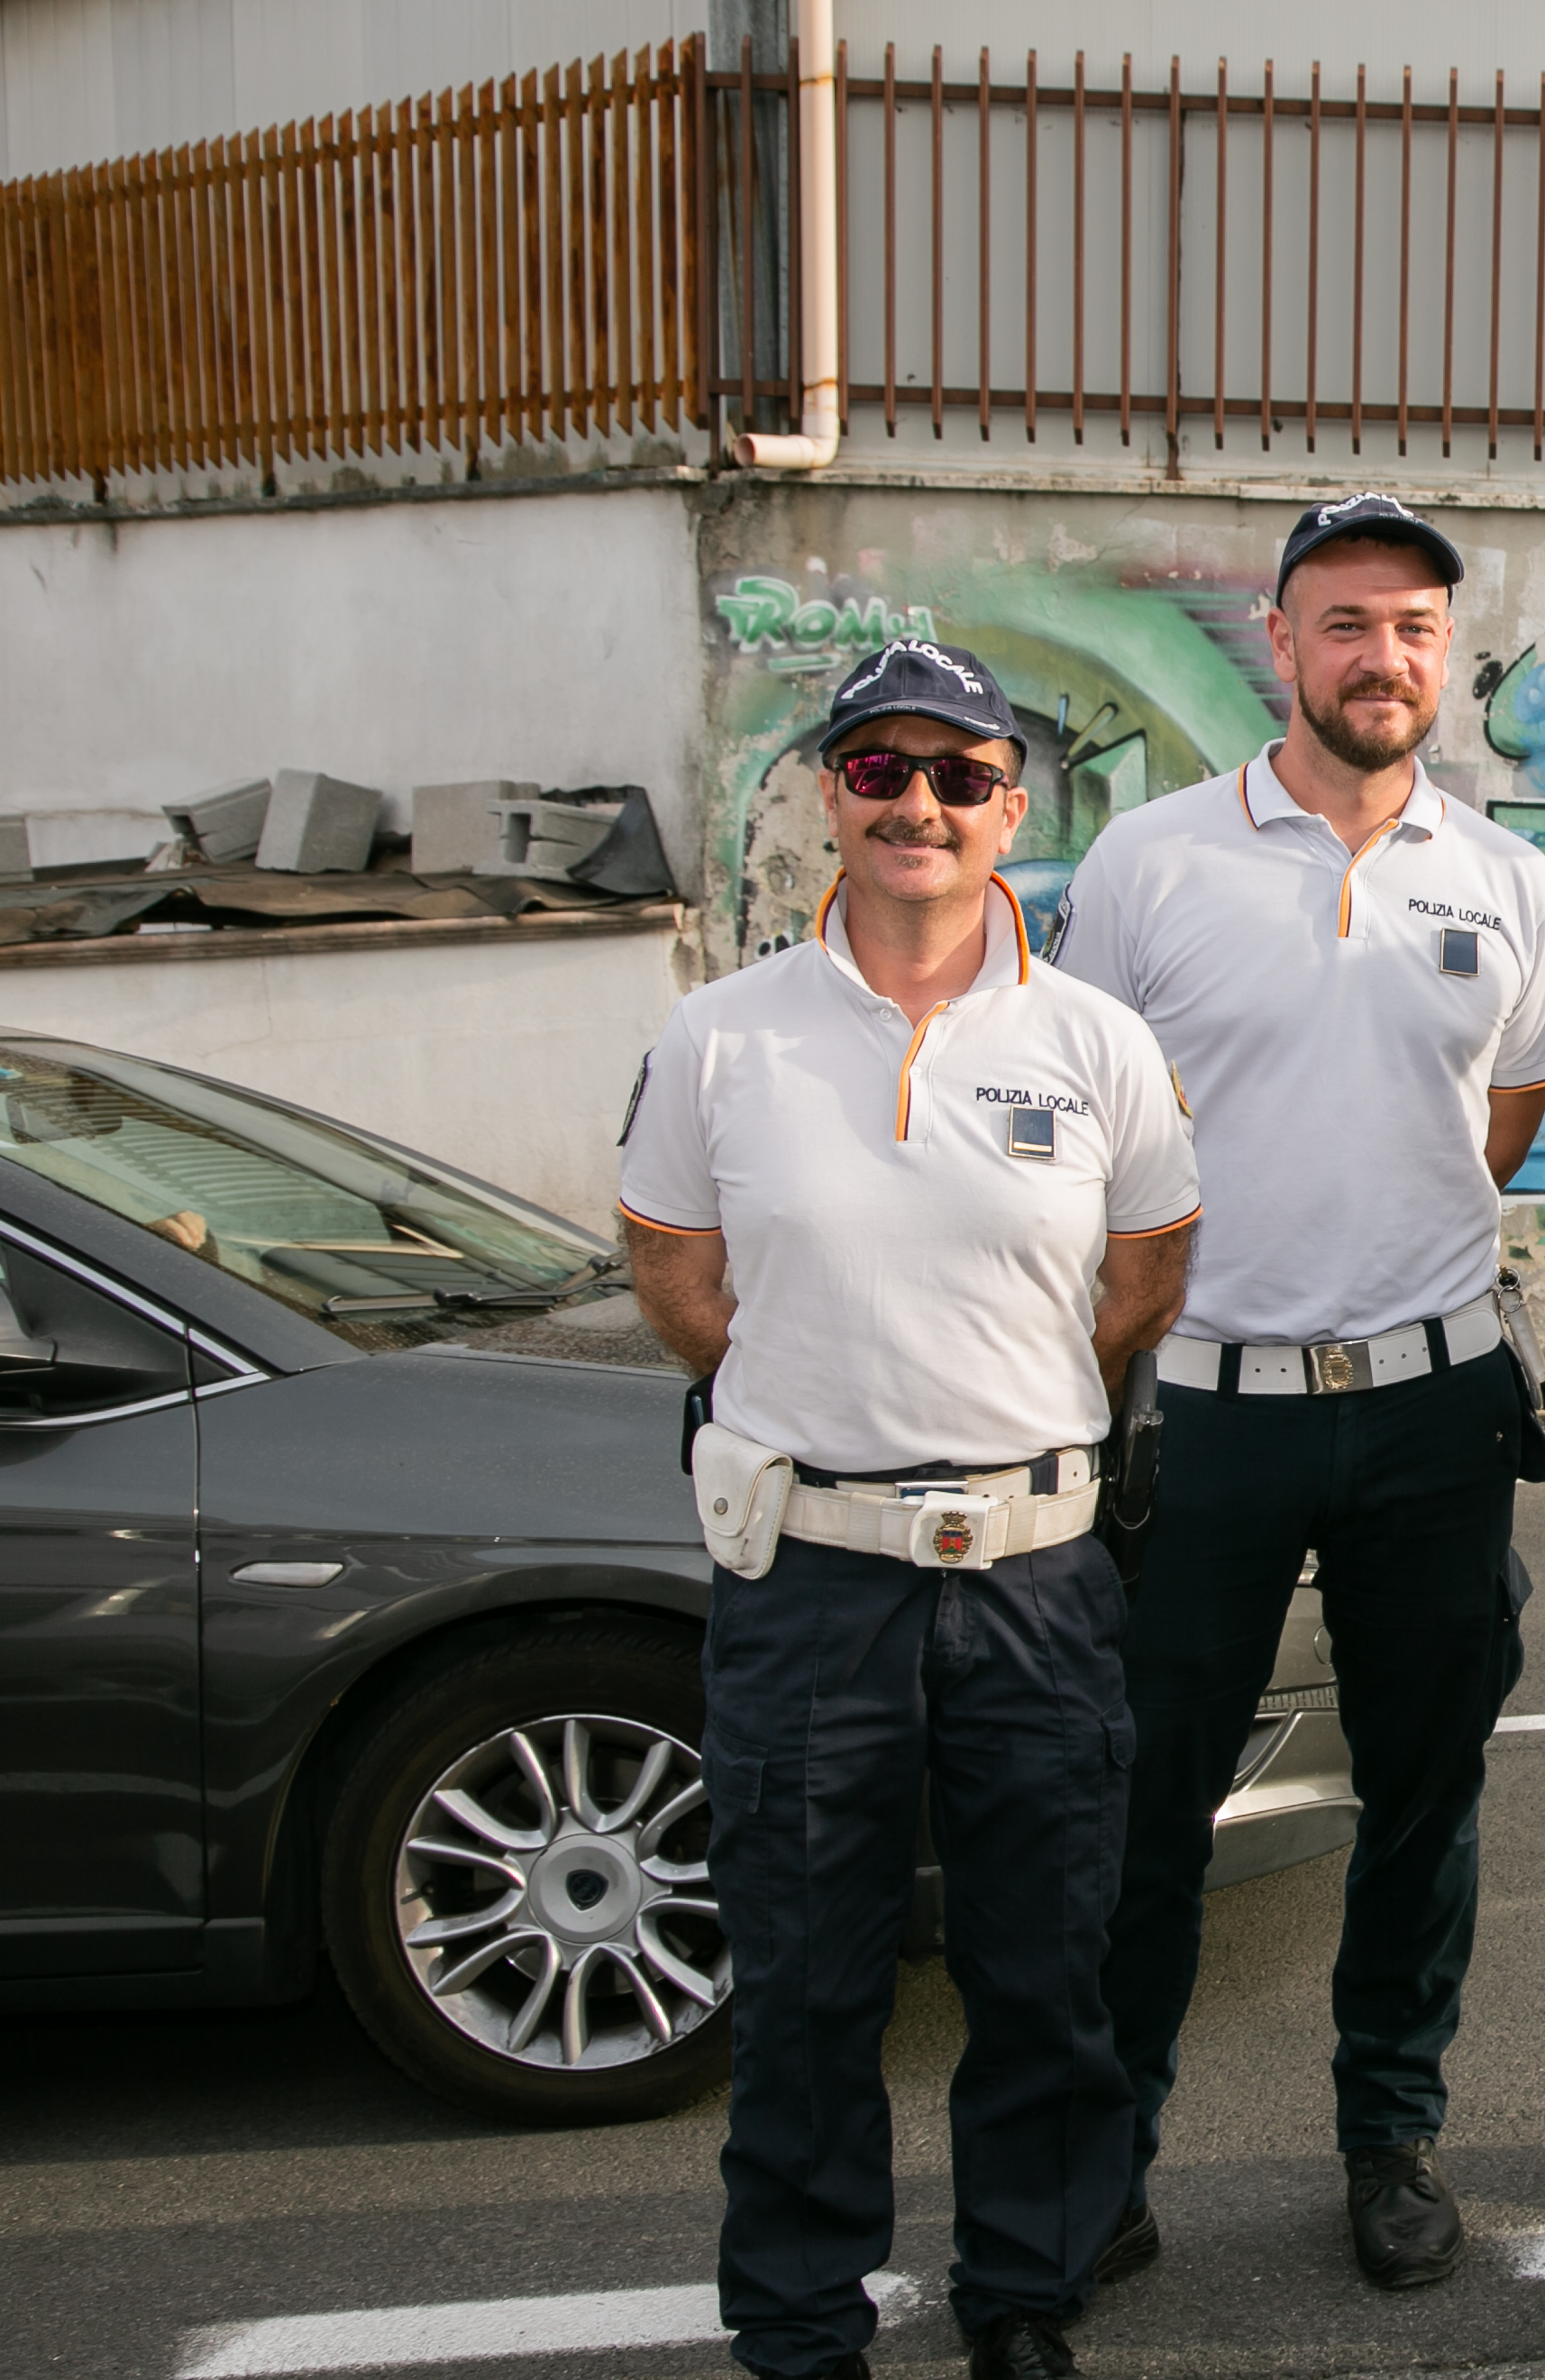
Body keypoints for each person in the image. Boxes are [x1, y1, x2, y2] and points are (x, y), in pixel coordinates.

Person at [619, 637, 1201, 2380]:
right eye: (880, 773)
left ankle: (1022, 2296)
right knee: (806, 1987)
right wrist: (832, 1405)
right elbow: (678, 1273)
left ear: (1014, 806)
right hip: (814, 1575)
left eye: (957, 776)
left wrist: (1000, 1411)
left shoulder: (1096, 1039)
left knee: (1043, 1979)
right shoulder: (723, 1037)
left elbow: (1143, 1277)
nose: (919, 807)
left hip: (1035, 1579)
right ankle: (802, 2320)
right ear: (830, 798)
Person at [1063, 493, 1545, 2293]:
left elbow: (1491, 1133)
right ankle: (1102, 2159)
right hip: (1206, 1411)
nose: (1383, 658)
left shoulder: (1509, 881)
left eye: (1417, 627)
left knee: (1424, 1797)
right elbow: (1100, 1142)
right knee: (1149, 1801)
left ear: (1449, 651)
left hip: (1433, 1408)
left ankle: (1390, 2137)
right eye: (1346, 623)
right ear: (1282, 641)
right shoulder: (1151, 866)